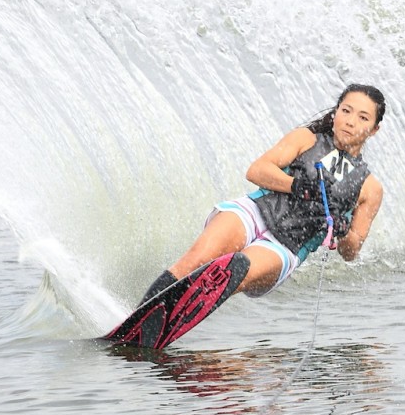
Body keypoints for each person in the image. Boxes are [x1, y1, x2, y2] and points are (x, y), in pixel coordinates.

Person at [137, 84, 386, 304]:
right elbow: (257, 170)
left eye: (363, 117)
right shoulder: (305, 139)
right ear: (335, 113)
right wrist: (296, 186)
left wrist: (343, 231)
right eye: (346, 111)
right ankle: (138, 319)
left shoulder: (370, 188)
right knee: (197, 260)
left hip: (285, 246)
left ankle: (171, 317)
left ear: (374, 129)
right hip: (254, 212)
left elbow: (351, 252)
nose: (351, 121)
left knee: (234, 272)